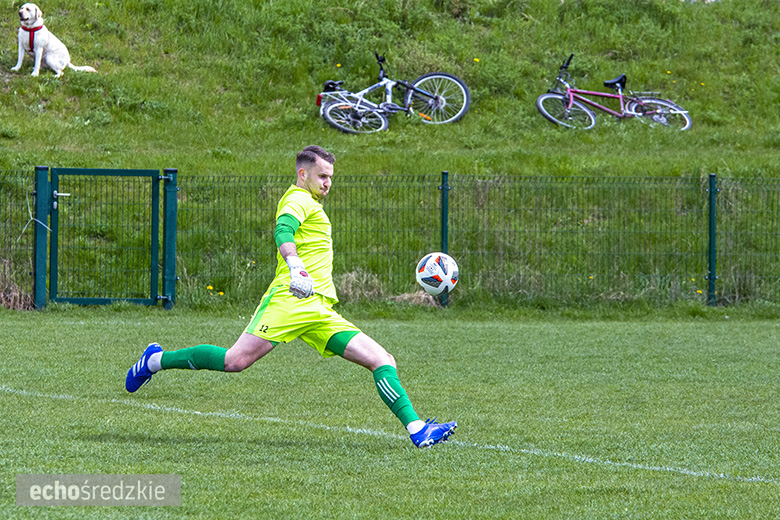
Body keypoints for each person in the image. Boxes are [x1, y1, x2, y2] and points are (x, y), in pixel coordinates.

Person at [125, 145, 457, 448]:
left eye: (330, 177)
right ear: (303, 173)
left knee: (382, 360)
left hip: (318, 309)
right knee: (235, 361)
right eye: (322, 176)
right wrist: (295, 265)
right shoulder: (297, 199)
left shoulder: (312, 203)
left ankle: (417, 429)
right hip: (290, 300)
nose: (327, 183)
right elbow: (283, 231)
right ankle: (155, 360)